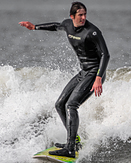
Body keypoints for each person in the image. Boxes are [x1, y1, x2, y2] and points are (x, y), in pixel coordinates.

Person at [19, 1, 110, 158]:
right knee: (60, 104)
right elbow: (55, 26)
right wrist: (34, 27)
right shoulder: (68, 25)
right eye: (80, 15)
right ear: (72, 16)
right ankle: (73, 141)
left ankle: (70, 148)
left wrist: (99, 78)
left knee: (71, 105)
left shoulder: (92, 32)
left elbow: (105, 55)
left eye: (85, 14)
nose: (83, 17)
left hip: (94, 73)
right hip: (84, 72)